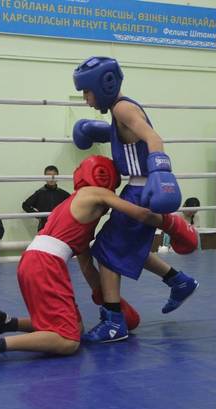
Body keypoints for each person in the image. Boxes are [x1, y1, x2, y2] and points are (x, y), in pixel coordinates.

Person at [0, 155, 198, 372]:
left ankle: (5, 322)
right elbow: (141, 214)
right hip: (46, 264)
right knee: (68, 341)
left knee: (74, 328)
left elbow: (86, 264)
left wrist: (106, 299)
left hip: (33, 261)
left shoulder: (73, 207)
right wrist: (174, 224)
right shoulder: (96, 192)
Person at [72, 57, 199, 343]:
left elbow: (153, 138)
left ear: (102, 86)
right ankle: (179, 281)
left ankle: (114, 321)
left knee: (107, 251)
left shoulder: (122, 108)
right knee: (125, 247)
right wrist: (95, 131)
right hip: (138, 189)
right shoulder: (119, 111)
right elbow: (128, 138)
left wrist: (160, 174)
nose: (85, 99)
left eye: (87, 92)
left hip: (142, 190)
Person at [22, 165, 71, 231]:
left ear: (58, 177)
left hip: (59, 228)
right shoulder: (40, 193)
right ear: (44, 177)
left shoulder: (63, 194)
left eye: (54, 175)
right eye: (48, 176)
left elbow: (73, 204)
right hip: (44, 227)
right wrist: (39, 216)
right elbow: (25, 205)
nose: (51, 178)